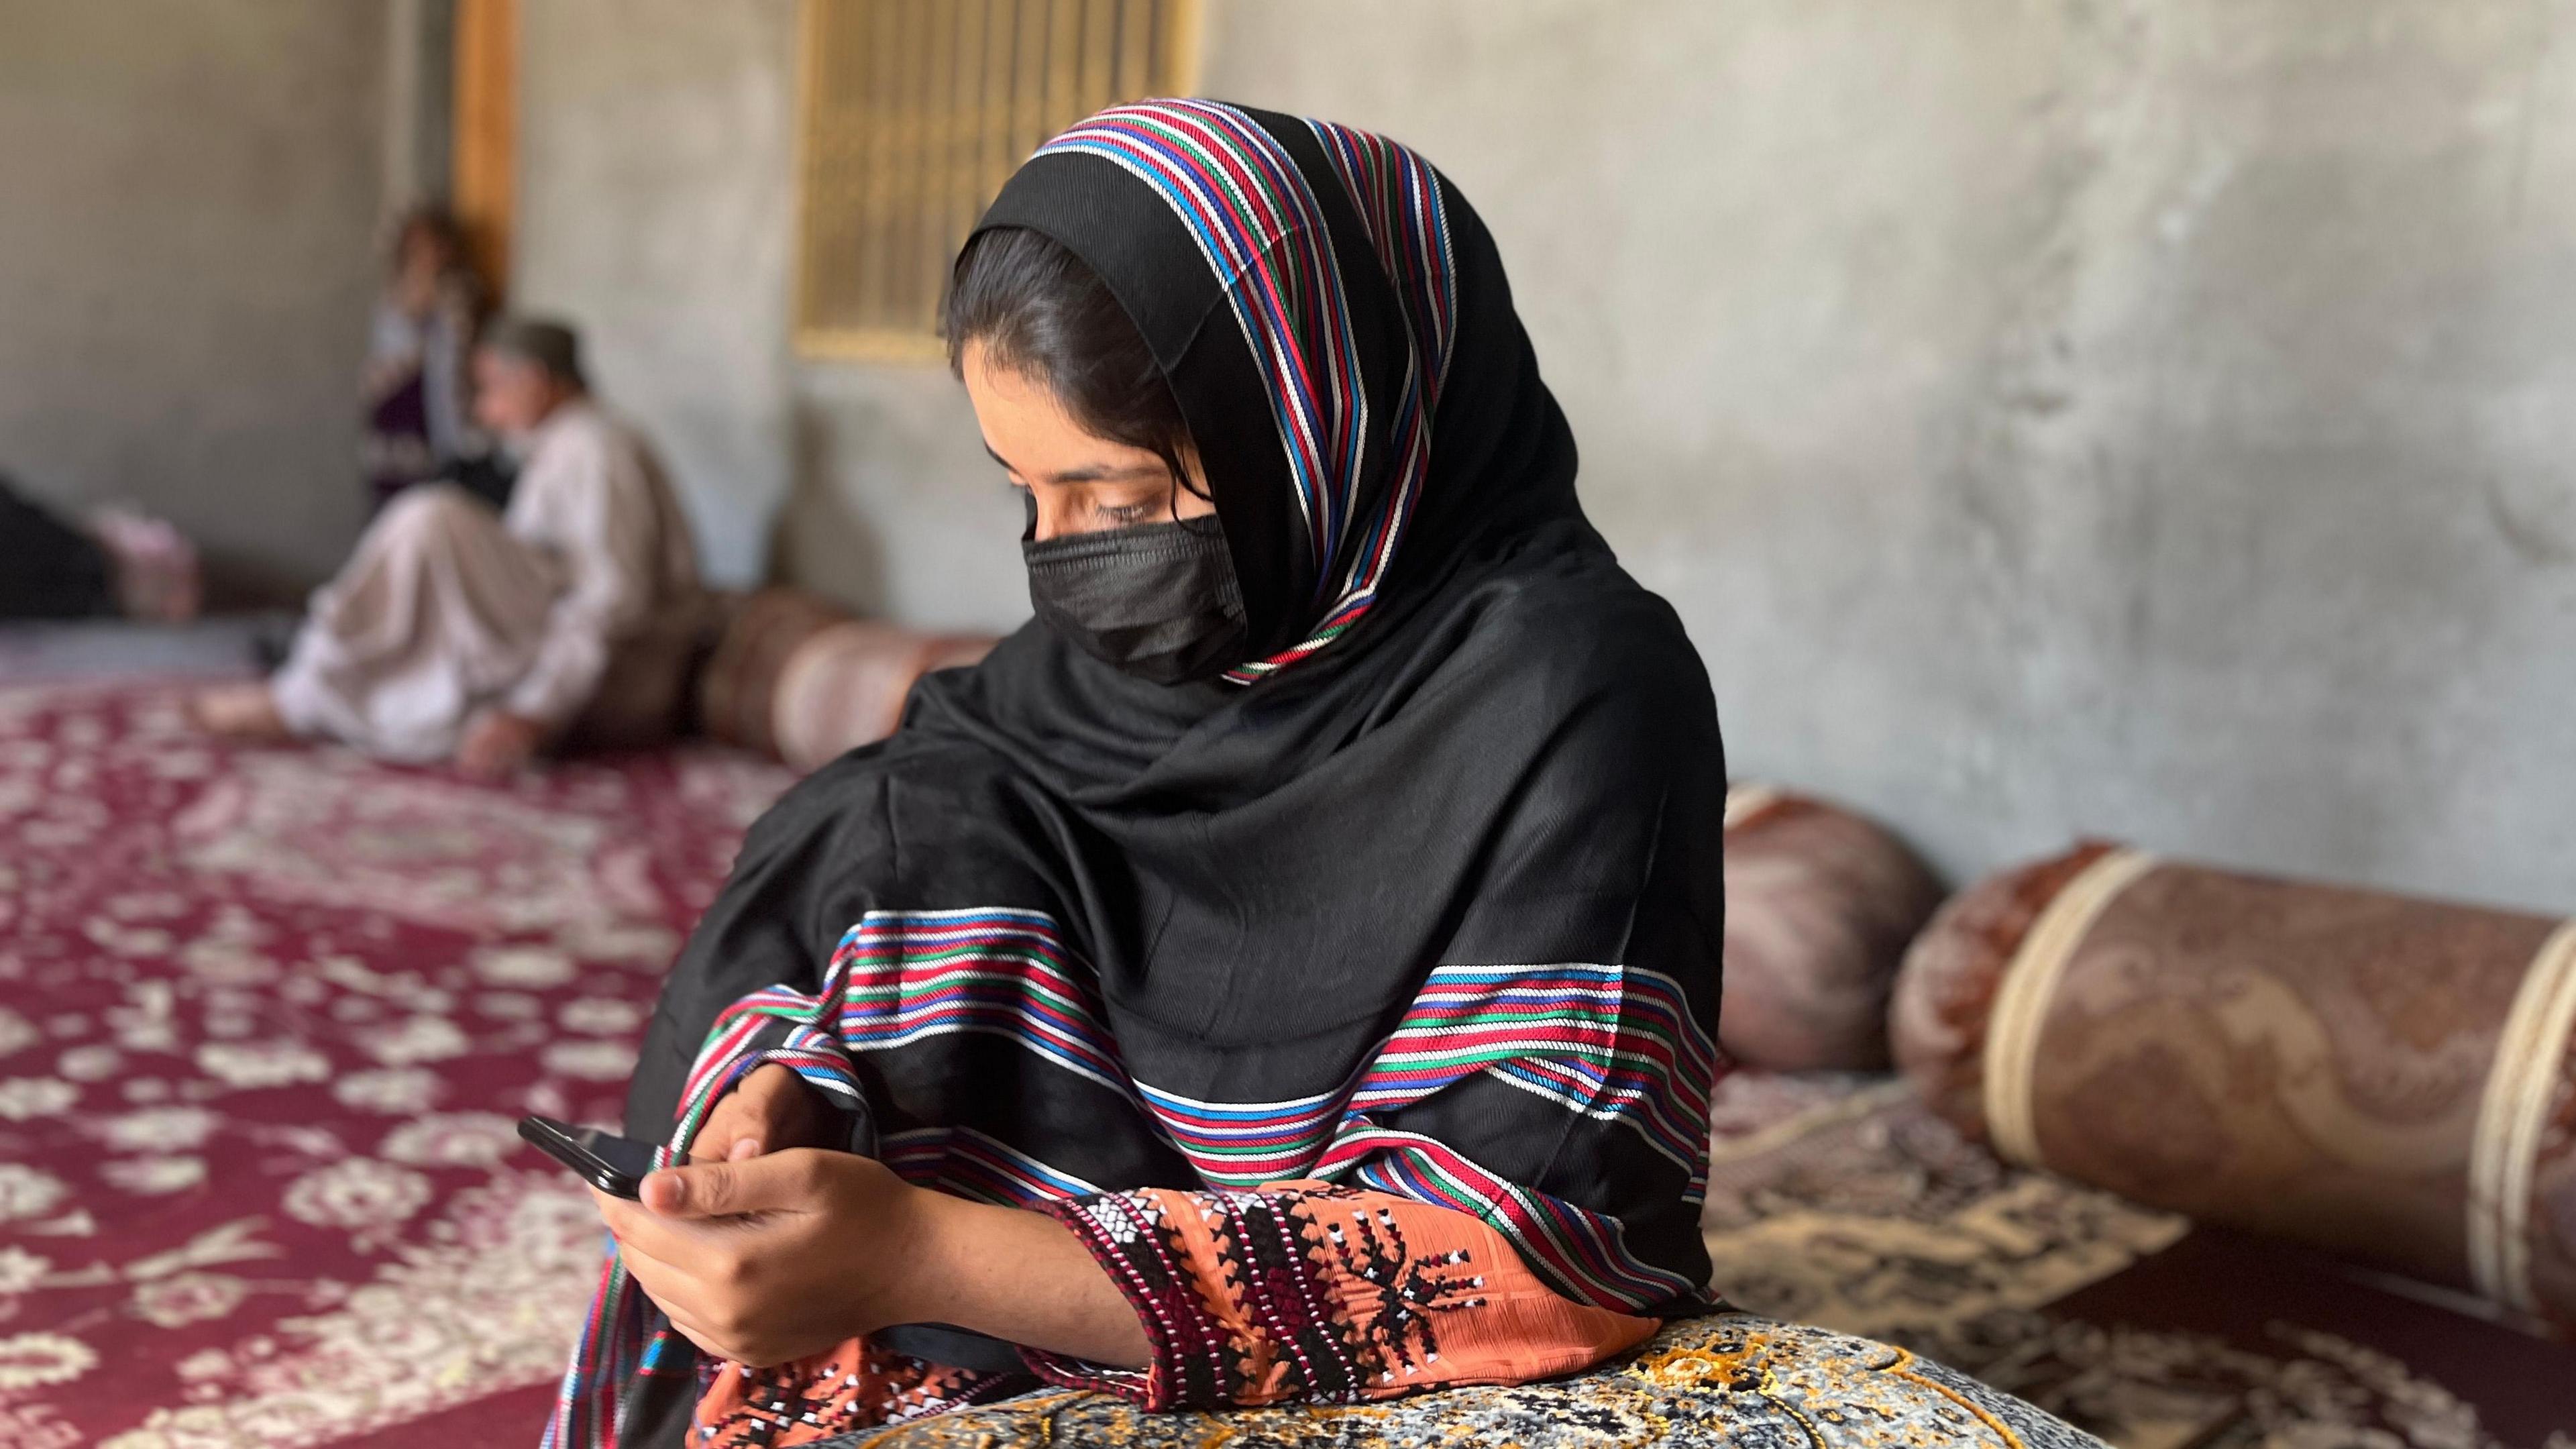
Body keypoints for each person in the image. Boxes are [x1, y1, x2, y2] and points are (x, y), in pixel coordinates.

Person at [193, 319, 704, 775]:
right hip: (561, 651)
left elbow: (611, 602)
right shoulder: (561, 447)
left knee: (432, 519)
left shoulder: (596, 451)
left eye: (491, 389)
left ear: (535, 382)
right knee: (424, 551)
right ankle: (306, 690)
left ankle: (301, 698)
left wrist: (536, 711)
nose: (485, 410)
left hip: (625, 682)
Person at [362, 206, 494, 510]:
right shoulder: (394, 298)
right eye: (418, 246)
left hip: (447, 414)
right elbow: (389, 357)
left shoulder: (463, 293)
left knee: (441, 503)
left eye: (435, 244)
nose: (429, 254)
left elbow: (461, 355)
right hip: (398, 409)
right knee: (396, 507)